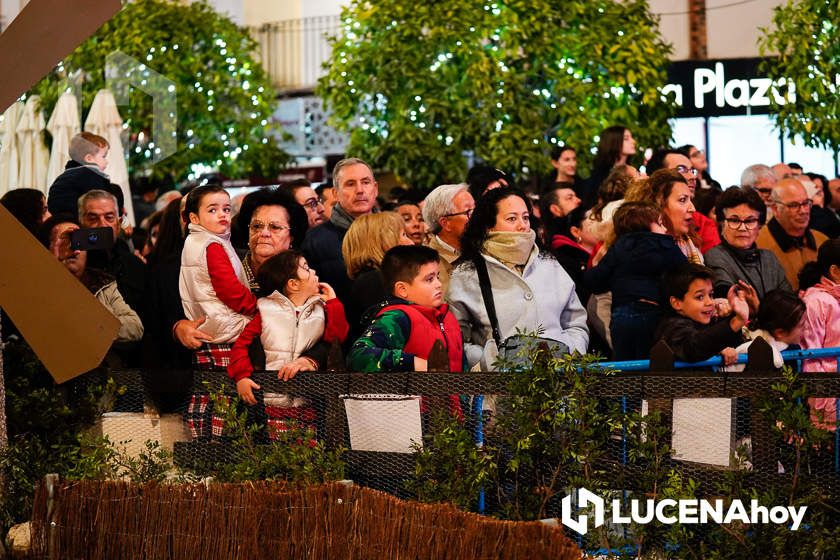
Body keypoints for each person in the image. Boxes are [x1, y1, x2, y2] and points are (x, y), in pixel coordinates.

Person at [447, 187, 589, 369]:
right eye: (512, 218)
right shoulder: (467, 274)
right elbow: (457, 339)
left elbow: (575, 322)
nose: (522, 225)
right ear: (489, 225)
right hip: (501, 388)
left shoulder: (549, 264)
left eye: (526, 217)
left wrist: (570, 351)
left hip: (559, 385)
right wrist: (490, 360)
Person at [228, 250, 349, 405]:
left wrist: (333, 302)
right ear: (293, 284)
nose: (313, 271)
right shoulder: (265, 310)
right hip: (269, 399)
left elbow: (337, 337)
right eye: (306, 268)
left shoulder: (321, 308)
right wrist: (242, 377)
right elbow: (241, 346)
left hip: (308, 400)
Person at [583, 202, 686, 359]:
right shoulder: (665, 244)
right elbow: (685, 275)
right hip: (655, 313)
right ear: (643, 225)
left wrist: (596, 268)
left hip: (622, 315)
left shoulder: (618, 248)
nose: (665, 229)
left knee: (626, 368)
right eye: (660, 223)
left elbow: (595, 281)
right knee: (655, 364)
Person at [348, 245, 464, 377]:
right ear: (402, 289)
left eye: (437, 276)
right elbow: (359, 356)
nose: (438, 284)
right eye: (429, 279)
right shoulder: (397, 317)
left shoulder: (448, 317)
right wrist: (413, 363)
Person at [40, 214, 143, 344]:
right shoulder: (38, 286)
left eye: (79, 241)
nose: (75, 250)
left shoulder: (103, 284)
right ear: (47, 248)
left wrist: (91, 324)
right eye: (65, 241)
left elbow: (135, 327)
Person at [179, 185, 256, 355]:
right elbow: (229, 290)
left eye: (226, 209)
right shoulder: (212, 245)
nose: (222, 214)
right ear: (194, 218)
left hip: (209, 328)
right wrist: (256, 307)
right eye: (212, 210)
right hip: (225, 331)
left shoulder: (194, 241)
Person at [302, 158, 378, 301]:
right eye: (350, 184)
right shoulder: (314, 241)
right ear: (336, 193)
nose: (360, 190)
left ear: (376, 189)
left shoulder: (394, 232)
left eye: (366, 182)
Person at [704, 187, 791, 307]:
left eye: (750, 221)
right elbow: (732, 302)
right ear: (721, 223)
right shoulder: (715, 256)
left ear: (760, 226)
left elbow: (790, 305)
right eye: (734, 220)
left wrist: (757, 307)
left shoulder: (769, 258)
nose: (742, 228)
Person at [653, 263, 748, 365]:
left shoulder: (708, 321)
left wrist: (728, 316)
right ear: (676, 303)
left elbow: (733, 342)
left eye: (711, 295)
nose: (710, 302)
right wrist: (735, 322)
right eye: (700, 297)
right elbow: (692, 347)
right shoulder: (671, 327)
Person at [342, 212, 413, 340]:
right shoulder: (372, 281)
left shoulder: (374, 278)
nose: (411, 243)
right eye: (403, 235)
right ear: (382, 241)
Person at [78, 189, 146, 315]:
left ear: (118, 223)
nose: (102, 224)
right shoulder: (75, 266)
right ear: (81, 222)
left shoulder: (135, 266)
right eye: (93, 218)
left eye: (109, 217)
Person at [756, 178, 828, 291]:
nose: (803, 211)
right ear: (775, 209)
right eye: (794, 205)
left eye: (806, 203)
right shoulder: (758, 244)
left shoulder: (822, 242)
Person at [646, 148, 720, 254]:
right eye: (681, 169)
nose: (693, 176)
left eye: (692, 170)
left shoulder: (703, 223)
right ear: (659, 177)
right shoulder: (641, 226)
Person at [799, 240, 840, 430]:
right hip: (829, 401)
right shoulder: (815, 301)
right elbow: (811, 359)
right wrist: (820, 416)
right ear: (835, 271)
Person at [625, 169, 703, 263]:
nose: (693, 208)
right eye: (682, 200)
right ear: (659, 205)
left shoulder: (689, 244)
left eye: (690, 200)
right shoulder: (641, 252)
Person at [722, 289, 805, 372]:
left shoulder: (794, 349)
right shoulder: (748, 348)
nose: (805, 328)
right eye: (801, 325)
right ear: (780, 332)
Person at [422, 183, 475, 293]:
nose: (477, 217)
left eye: (476, 209)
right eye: (468, 212)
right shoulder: (427, 265)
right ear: (446, 223)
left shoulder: (486, 247)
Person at [546, 206, 598, 305]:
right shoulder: (566, 258)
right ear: (576, 231)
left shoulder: (609, 251)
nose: (601, 226)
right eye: (593, 221)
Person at [586, 126, 635, 204]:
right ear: (614, 141)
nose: (633, 141)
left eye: (631, 137)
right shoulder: (601, 174)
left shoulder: (632, 170)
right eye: (626, 139)